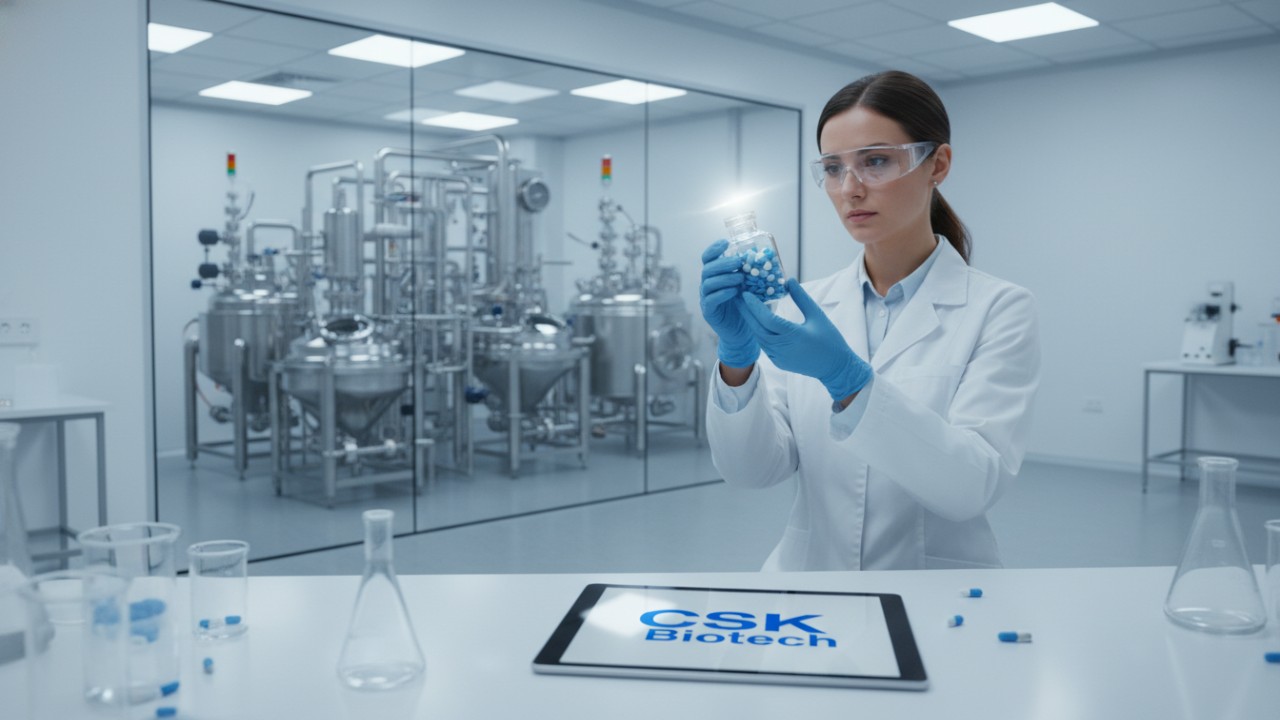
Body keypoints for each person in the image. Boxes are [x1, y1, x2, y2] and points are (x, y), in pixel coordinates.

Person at [700, 71, 1040, 571]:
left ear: (937, 164)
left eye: (876, 161)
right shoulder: (802, 306)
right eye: (833, 169)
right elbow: (752, 472)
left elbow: (972, 485)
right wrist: (736, 363)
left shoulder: (1000, 309)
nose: (850, 189)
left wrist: (850, 382)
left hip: (935, 592)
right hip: (811, 584)